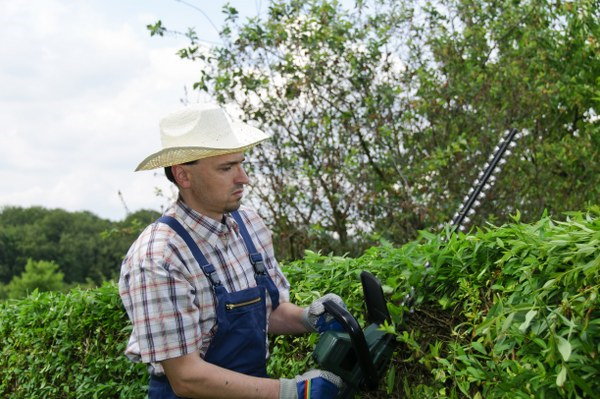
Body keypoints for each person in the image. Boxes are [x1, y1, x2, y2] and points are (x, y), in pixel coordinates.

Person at [119, 103, 345, 399]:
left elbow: (268, 311)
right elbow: (186, 377)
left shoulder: (249, 224)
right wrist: (290, 392)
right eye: (227, 168)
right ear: (183, 176)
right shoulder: (158, 257)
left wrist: (308, 318)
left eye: (241, 163)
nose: (244, 178)